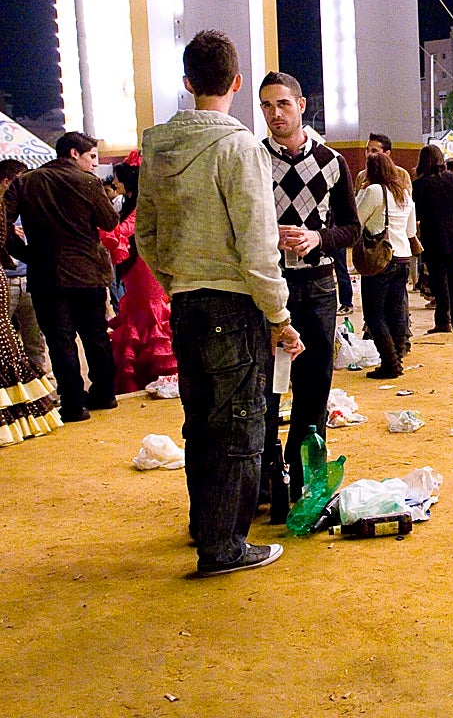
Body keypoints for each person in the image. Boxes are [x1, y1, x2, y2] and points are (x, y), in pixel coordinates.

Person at [139, 28, 302, 575]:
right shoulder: (238, 147)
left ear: (187, 83)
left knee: (200, 422)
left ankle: (204, 525)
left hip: (185, 305)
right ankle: (224, 546)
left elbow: (147, 236)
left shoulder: (157, 148)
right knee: (238, 424)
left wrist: (176, 281)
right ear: (236, 82)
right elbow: (258, 247)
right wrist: (279, 316)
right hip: (232, 307)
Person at [258, 70, 360, 501]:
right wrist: (268, 234)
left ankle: (305, 480)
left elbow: (352, 228)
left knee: (313, 387)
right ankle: (266, 479)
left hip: (317, 285)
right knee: (265, 386)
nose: (275, 113)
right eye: (266, 106)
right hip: (268, 287)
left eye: (283, 104)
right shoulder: (253, 160)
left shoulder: (332, 162)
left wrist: (319, 237)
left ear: (301, 105)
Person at [3, 131, 119, 422]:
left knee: (59, 339)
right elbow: (109, 221)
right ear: (72, 153)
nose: (94, 163)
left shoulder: (24, 182)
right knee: (95, 336)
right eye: (90, 156)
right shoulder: (87, 183)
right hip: (88, 271)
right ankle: (105, 394)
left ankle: (73, 403)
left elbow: (2, 222)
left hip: (46, 273)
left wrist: (25, 252)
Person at [98, 158, 178, 393]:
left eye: (117, 179)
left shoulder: (140, 208)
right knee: (141, 313)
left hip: (144, 268)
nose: (113, 182)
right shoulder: (133, 205)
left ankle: (158, 375)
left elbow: (120, 232)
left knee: (149, 313)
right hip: (137, 268)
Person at [0, 164, 60, 446]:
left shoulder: (27, 204)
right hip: (11, 279)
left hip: (24, 277)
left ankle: (39, 402)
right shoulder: (5, 206)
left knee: (32, 344)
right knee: (12, 346)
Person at [354, 144, 417, 379]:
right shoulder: (404, 194)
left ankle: (390, 362)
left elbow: (356, 220)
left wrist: (362, 190)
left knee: (374, 314)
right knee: (396, 310)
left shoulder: (374, 191)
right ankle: (397, 356)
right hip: (403, 257)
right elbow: (411, 229)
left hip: (382, 259)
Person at [412, 144, 453, 332]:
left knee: (439, 280)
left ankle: (442, 320)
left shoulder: (420, 185)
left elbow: (417, 214)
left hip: (433, 237)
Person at [0, 160, 49, 375]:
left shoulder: (31, 206)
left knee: (35, 339)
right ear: (6, 182)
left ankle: (42, 386)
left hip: (30, 279)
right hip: (5, 281)